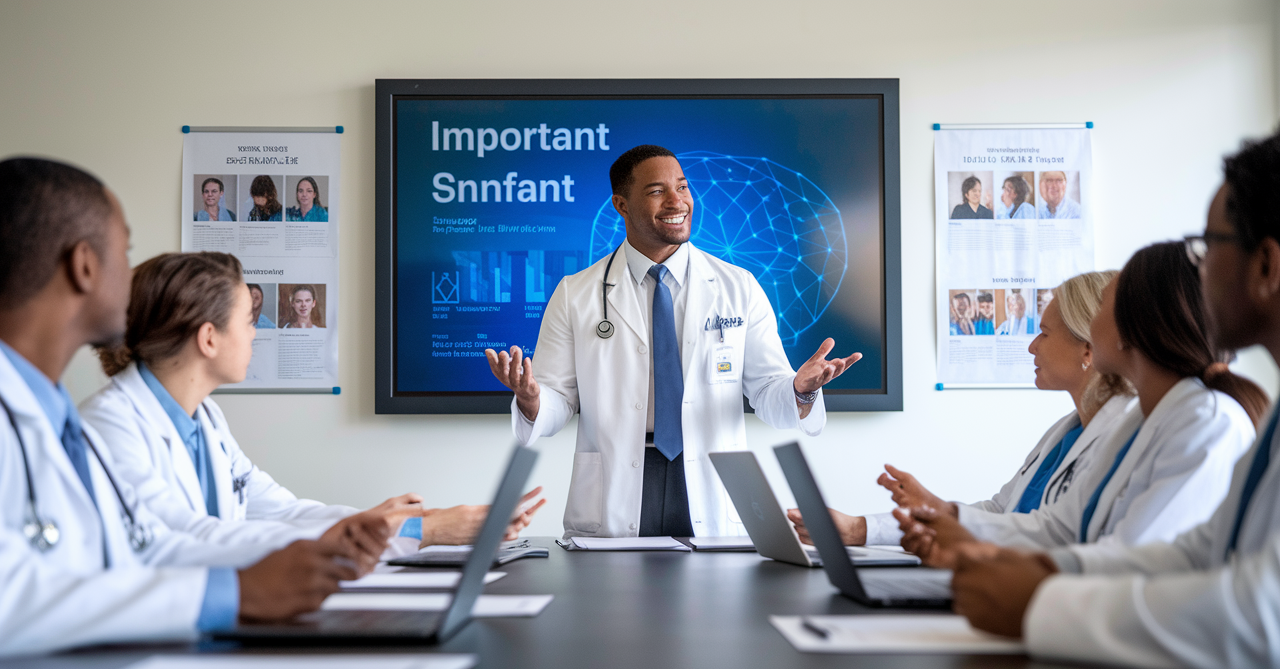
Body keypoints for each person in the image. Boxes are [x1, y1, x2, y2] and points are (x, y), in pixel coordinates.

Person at [0, 157, 410, 657]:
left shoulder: (61, 421)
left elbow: (149, 542)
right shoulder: (96, 422)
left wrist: (327, 548)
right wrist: (232, 592)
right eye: (123, 254)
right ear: (84, 266)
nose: (132, 279)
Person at [944, 132, 1280, 669]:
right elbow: (1195, 554)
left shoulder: (1209, 420)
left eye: (1208, 245)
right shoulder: (1154, 419)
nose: (1200, 269)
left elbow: (1261, 618)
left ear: (1265, 265)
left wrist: (1040, 602)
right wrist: (1035, 571)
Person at [485, 145, 860, 538]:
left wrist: (800, 391)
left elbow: (769, 394)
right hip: (619, 478)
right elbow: (558, 400)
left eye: (682, 187)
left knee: (712, 598)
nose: (676, 201)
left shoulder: (738, 287)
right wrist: (532, 401)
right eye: (656, 191)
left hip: (711, 476)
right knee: (609, 598)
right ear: (621, 204)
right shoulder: (575, 293)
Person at [80, 250, 543, 553]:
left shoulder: (204, 419)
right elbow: (194, 540)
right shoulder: (110, 427)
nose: (257, 333)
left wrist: (405, 521)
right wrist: (422, 531)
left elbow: (282, 509)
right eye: (248, 320)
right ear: (208, 339)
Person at [898, 241, 1267, 567]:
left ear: (1133, 327)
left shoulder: (1208, 422)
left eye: (1105, 303)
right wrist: (962, 536)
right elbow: (1061, 527)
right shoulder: (1135, 421)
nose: (1093, 322)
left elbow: (1134, 561)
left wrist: (988, 559)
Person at [789, 272, 1135, 547]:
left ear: (1088, 349)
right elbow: (1000, 513)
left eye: (1044, 333)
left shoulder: (1124, 436)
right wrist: (859, 529)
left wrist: (944, 513)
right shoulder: (1066, 431)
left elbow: (1051, 534)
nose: (1031, 346)